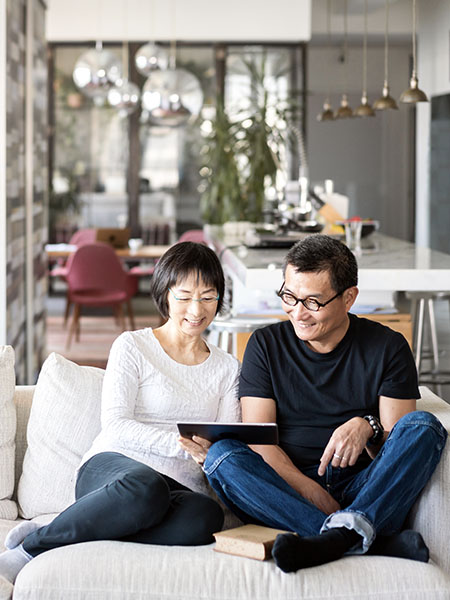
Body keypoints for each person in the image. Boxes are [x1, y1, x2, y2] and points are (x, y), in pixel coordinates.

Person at [181, 234, 447, 573]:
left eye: (313, 302)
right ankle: (362, 538)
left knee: (423, 426)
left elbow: (394, 445)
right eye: (289, 297)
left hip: (363, 488)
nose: (298, 313)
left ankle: (332, 539)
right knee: (223, 458)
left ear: (349, 297)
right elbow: (261, 443)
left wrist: (368, 425)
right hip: (286, 491)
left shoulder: (388, 347)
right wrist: (310, 491)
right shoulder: (265, 345)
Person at [0, 241, 240, 585]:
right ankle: (32, 547)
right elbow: (117, 423)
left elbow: (225, 438)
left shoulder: (228, 368)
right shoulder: (133, 345)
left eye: (207, 296)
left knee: (204, 519)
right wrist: (182, 445)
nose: (196, 308)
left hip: (180, 487)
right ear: (165, 293)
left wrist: (214, 454)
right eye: (185, 296)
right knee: (146, 488)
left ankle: (79, 525)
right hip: (116, 470)